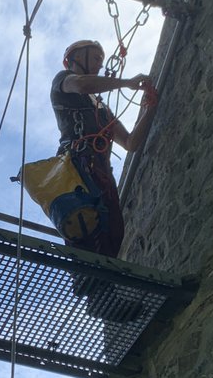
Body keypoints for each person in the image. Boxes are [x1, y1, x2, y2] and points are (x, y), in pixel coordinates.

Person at [50, 39, 157, 257]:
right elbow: (82, 84)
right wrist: (126, 82)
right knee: (84, 227)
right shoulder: (64, 81)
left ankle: (105, 284)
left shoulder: (100, 107)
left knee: (113, 232)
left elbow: (130, 143)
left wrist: (149, 110)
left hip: (100, 173)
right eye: (97, 58)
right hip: (78, 168)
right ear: (77, 57)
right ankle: (90, 281)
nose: (101, 64)